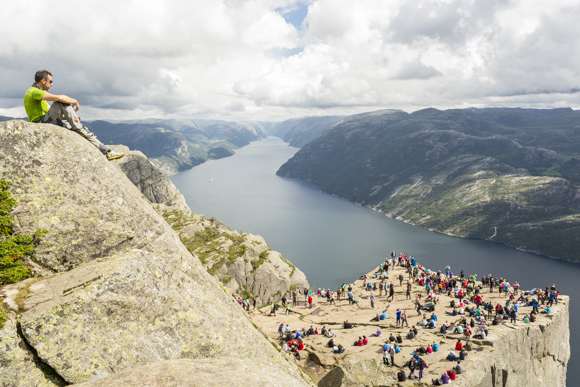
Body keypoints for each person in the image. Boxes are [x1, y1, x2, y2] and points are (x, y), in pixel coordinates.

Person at [23, 70, 124, 160]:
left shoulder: (39, 95)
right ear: (43, 81)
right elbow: (60, 99)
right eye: (50, 81)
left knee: (81, 132)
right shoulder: (33, 92)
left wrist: (72, 117)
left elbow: (55, 115)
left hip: (47, 121)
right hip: (41, 124)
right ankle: (79, 128)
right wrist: (74, 101)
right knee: (61, 102)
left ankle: (107, 152)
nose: (52, 84)